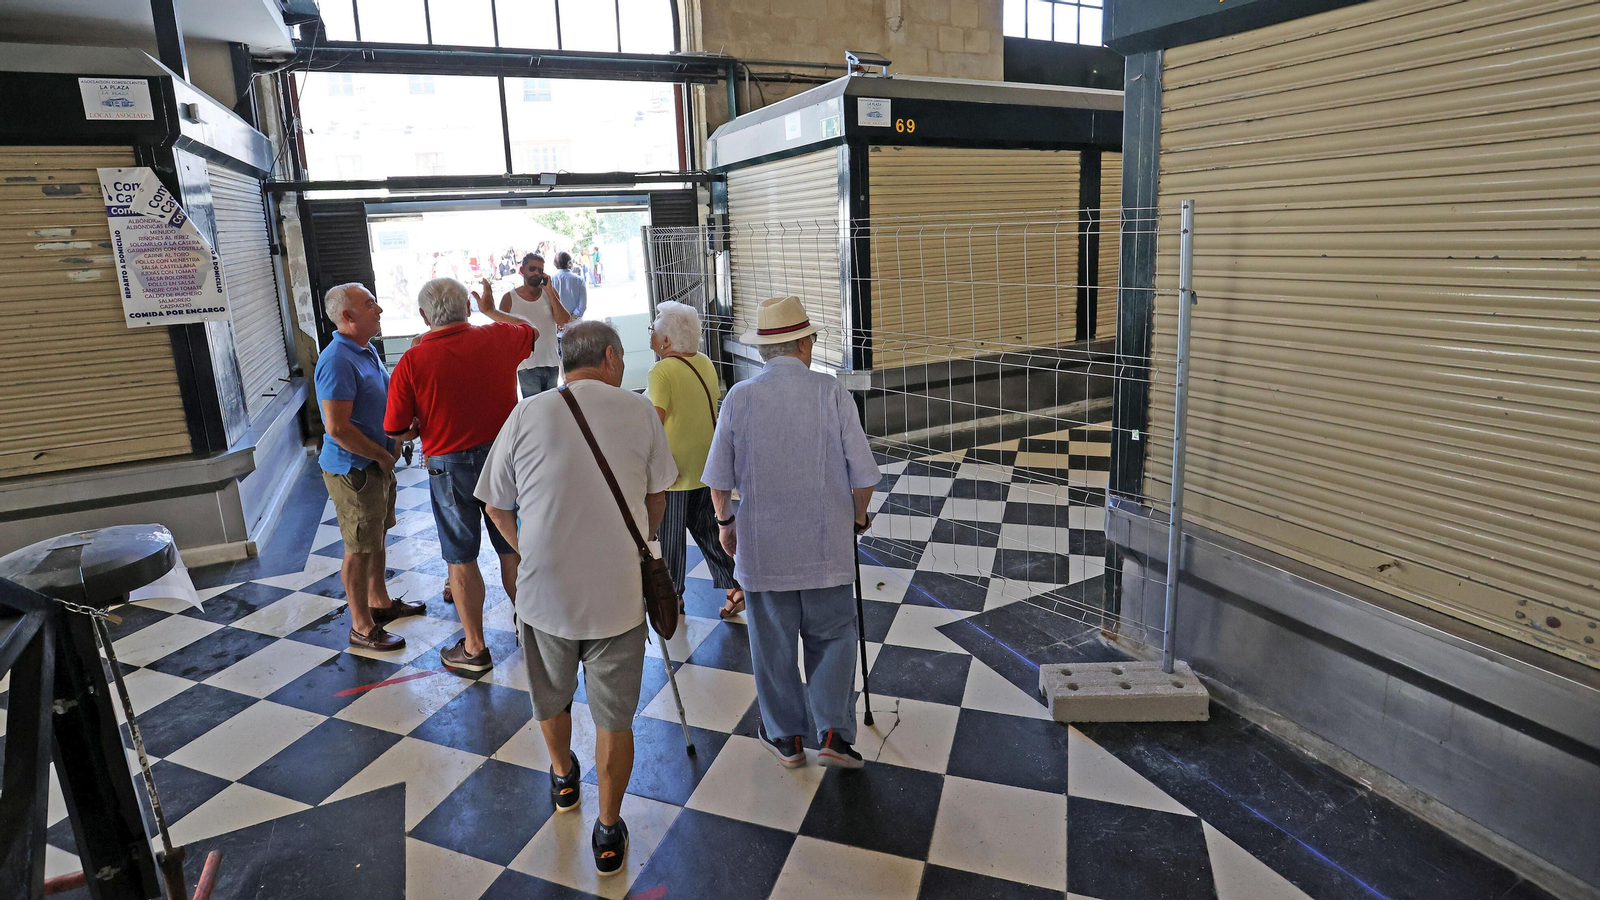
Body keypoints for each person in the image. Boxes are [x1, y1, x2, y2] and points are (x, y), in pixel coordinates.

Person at [477, 321, 677, 878]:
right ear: (613, 358)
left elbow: (495, 505)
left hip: (545, 596)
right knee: (615, 716)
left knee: (553, 697)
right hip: (618, 595)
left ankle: (564, 776)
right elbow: (656, 498)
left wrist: (531, 547)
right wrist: (638, 543)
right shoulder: (638, 412)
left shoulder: (528, 412)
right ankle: (608, 828)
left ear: (565, 362)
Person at [704, 295, 879, 770]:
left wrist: (725, 524)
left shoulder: (739, 398)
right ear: (803, 344)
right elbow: (863, 476)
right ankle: (833, 735)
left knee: (772, 644)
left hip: (763, 550)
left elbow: (719, 479)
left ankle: (786, 739)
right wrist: (857, 519)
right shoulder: (831, 393)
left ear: (765, 350)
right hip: (826, 549)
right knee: (835, 637)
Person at [384, 277, 537, 672]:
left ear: (422, 316)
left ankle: (474, 647)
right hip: (504, 459)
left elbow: (396, 429)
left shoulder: (412, 361)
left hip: (448, 466)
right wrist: (491, 310)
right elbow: (532, 330)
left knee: (461, 557)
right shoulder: (500, 337)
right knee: (512, 546)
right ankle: (535, 633)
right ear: (467, 308)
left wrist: (420, 427)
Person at [315, 284, 425, 652]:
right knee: (358, 547)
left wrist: (400, 433)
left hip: (377, 462)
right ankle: (361, 626)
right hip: (355, 469)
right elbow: (337, 427)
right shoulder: (337, 360)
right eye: (368, 304)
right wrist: (380, 455)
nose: (378, 308)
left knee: (375, 536)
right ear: (348, 317)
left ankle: (378, 602)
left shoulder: (364, 350)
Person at [646, 301, 743, 618]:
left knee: (669, 542)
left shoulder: (662, 371)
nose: (651, 333)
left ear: (667, 341)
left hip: (674, 474)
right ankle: (735, 588)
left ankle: (672, 599)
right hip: (706, 467)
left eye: (654, 330)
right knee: (707, 530)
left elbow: (655, 424)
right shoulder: (703, 362)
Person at [501, 253, 572, 397]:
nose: (536, 273)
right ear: (522, 270)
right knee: (534, 408)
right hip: (526, 365)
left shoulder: (550, 294)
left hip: (551, 361)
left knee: (551, 407)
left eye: (540, 270)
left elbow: (564, 321)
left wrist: (550, 292)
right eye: (532, 268)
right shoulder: (509, 298)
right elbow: (501, 333)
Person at [550, 251, 587, 320]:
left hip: (556, 321)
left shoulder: (550, 280)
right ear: (569, 263)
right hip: (575, 321)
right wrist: (570, 319)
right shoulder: (579, 279)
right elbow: (582, 306)